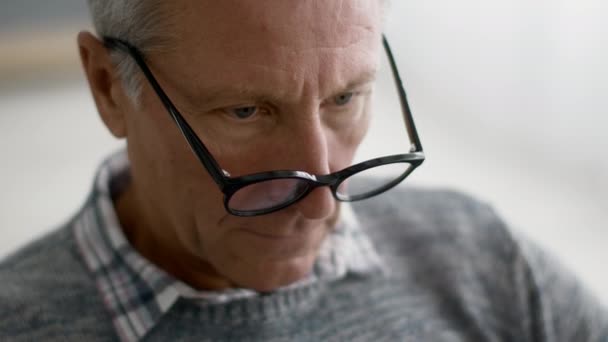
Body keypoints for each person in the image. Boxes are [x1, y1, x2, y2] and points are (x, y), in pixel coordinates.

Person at [1, 1, 606, 341]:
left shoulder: (483, 256)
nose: (323, 206)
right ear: (108, 86)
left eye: (345, 98)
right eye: (245, 110)